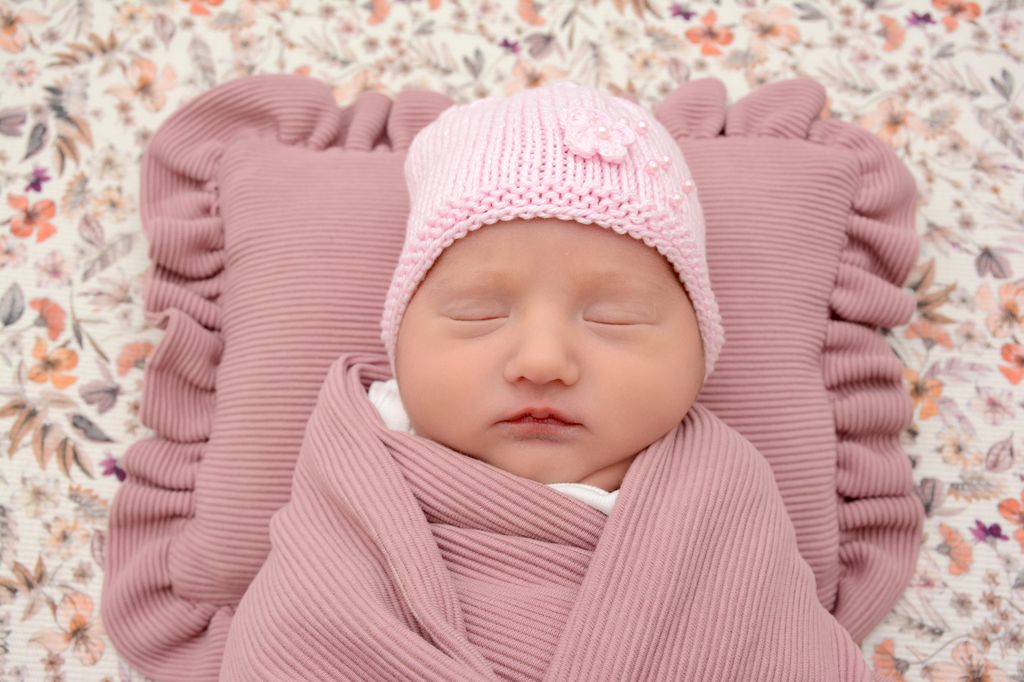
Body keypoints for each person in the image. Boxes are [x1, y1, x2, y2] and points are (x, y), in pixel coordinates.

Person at [219, 81, 883, 681]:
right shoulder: (354, 475)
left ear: (698, 352)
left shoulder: (722, 501)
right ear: (401, 343)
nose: (542, 360)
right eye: (478, 313)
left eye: (615, 317)